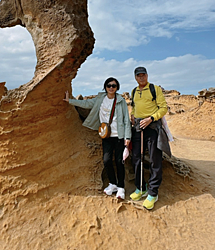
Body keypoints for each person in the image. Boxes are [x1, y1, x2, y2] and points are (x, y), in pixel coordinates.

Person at [64, 77, 131, 199]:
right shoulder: (101, 98)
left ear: (117, 88)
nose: (111, 88)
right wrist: (70, 101)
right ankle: (113, 184)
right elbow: (86, 104)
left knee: (119, 161)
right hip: (106, 135)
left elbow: (126, 120)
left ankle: (121, 187)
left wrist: (127, 137)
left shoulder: (120, 101)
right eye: (109, 85)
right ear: (105, 87)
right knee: (106, 160)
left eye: (114, 86)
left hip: (119, 136)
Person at [129, 66, 169, 210]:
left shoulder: (155, 89)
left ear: (147, 75)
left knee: (154, 159)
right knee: (136, 158)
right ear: (135, 77)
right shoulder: (134, 91)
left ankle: (153, 192)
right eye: (138, 75)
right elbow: (134, 106)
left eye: (143, 75)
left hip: (152, 127)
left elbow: (163, 108)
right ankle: (141, 188)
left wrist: (151, 118)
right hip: (138, 128)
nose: (141, 77)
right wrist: (133, 115)